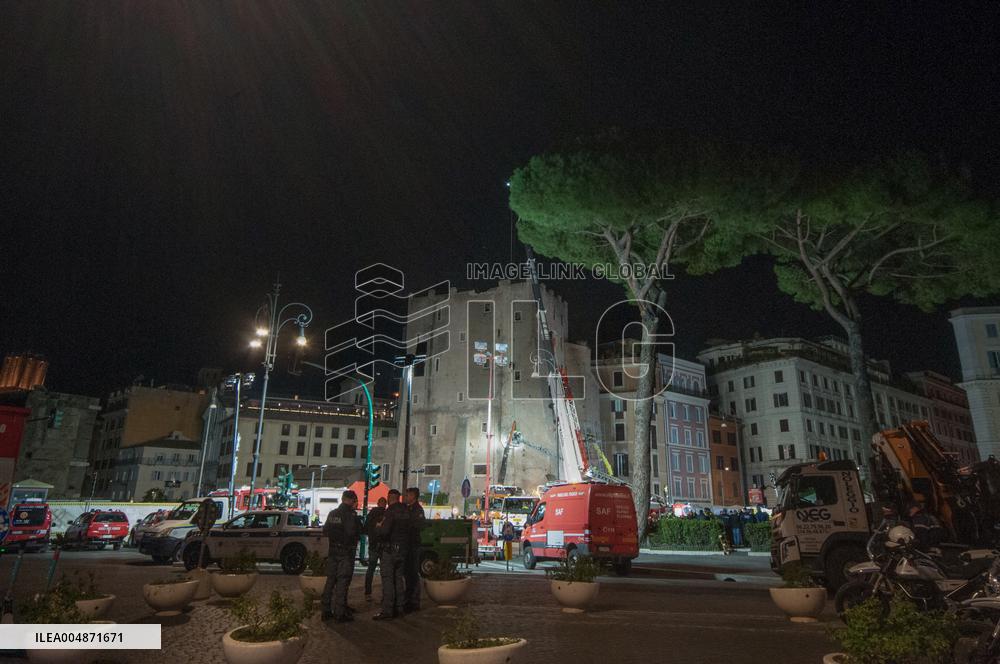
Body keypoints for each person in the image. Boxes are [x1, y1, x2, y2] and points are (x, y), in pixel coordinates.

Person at [321, 490, 362, 623]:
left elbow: (325, 530)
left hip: (333, 550)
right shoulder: (349, 514)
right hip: (345, 551)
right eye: (354, 500)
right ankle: (340, 612)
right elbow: (351, 533)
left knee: (330, 580)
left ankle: (326, 610)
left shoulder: (333, 513)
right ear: (350, 500)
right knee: (342, 581)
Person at [373, 489, 408, 620]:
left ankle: (387, 610)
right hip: (402, 549)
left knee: (388, 579)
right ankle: (400, 608)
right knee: (398, 579)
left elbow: (384, 531)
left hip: (390, 550)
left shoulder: (390, 511)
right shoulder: (406, 511)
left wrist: (378, 527)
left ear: (389, 498)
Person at [402, 487, 427, 612]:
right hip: (408, 545)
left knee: (413, 573)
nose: (405, 497)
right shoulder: (408, 508)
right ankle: (408, 599)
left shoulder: (417, 510)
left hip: (413, 545)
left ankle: (414, 601)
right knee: (408, 573)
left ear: (413, 496)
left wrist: (408, 524)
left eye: (407, 495)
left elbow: (419, 525)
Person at [364, 497, 388, 601]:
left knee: (370, 569)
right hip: (383, 546)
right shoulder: (387, 514)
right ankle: (385, 594)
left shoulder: (371, 514)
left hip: (373, 545)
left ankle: (368, 593)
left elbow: (365, 528)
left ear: (378, 503)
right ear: (385, 504)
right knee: (385, 571)